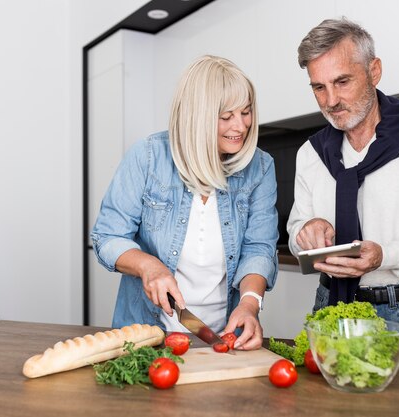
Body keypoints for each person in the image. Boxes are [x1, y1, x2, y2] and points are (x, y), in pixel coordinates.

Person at [287, 18, 399, 349]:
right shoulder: (311, 154)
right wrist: (307, 232)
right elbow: (297, 237)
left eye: (342, 81)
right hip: (332, 308)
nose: (330, 101)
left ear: (374, 71)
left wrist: (385, 255)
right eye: (318, 87)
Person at [91, 55, 279, 350]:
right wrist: (148, 266)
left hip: (222, 336)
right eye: (226, 116)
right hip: (145, 333)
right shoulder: (149, 157)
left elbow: (259, 247)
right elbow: (107, 236)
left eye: (246, 112)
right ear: (197, 116)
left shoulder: (260, 168)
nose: (240, 126)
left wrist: (250, 303)